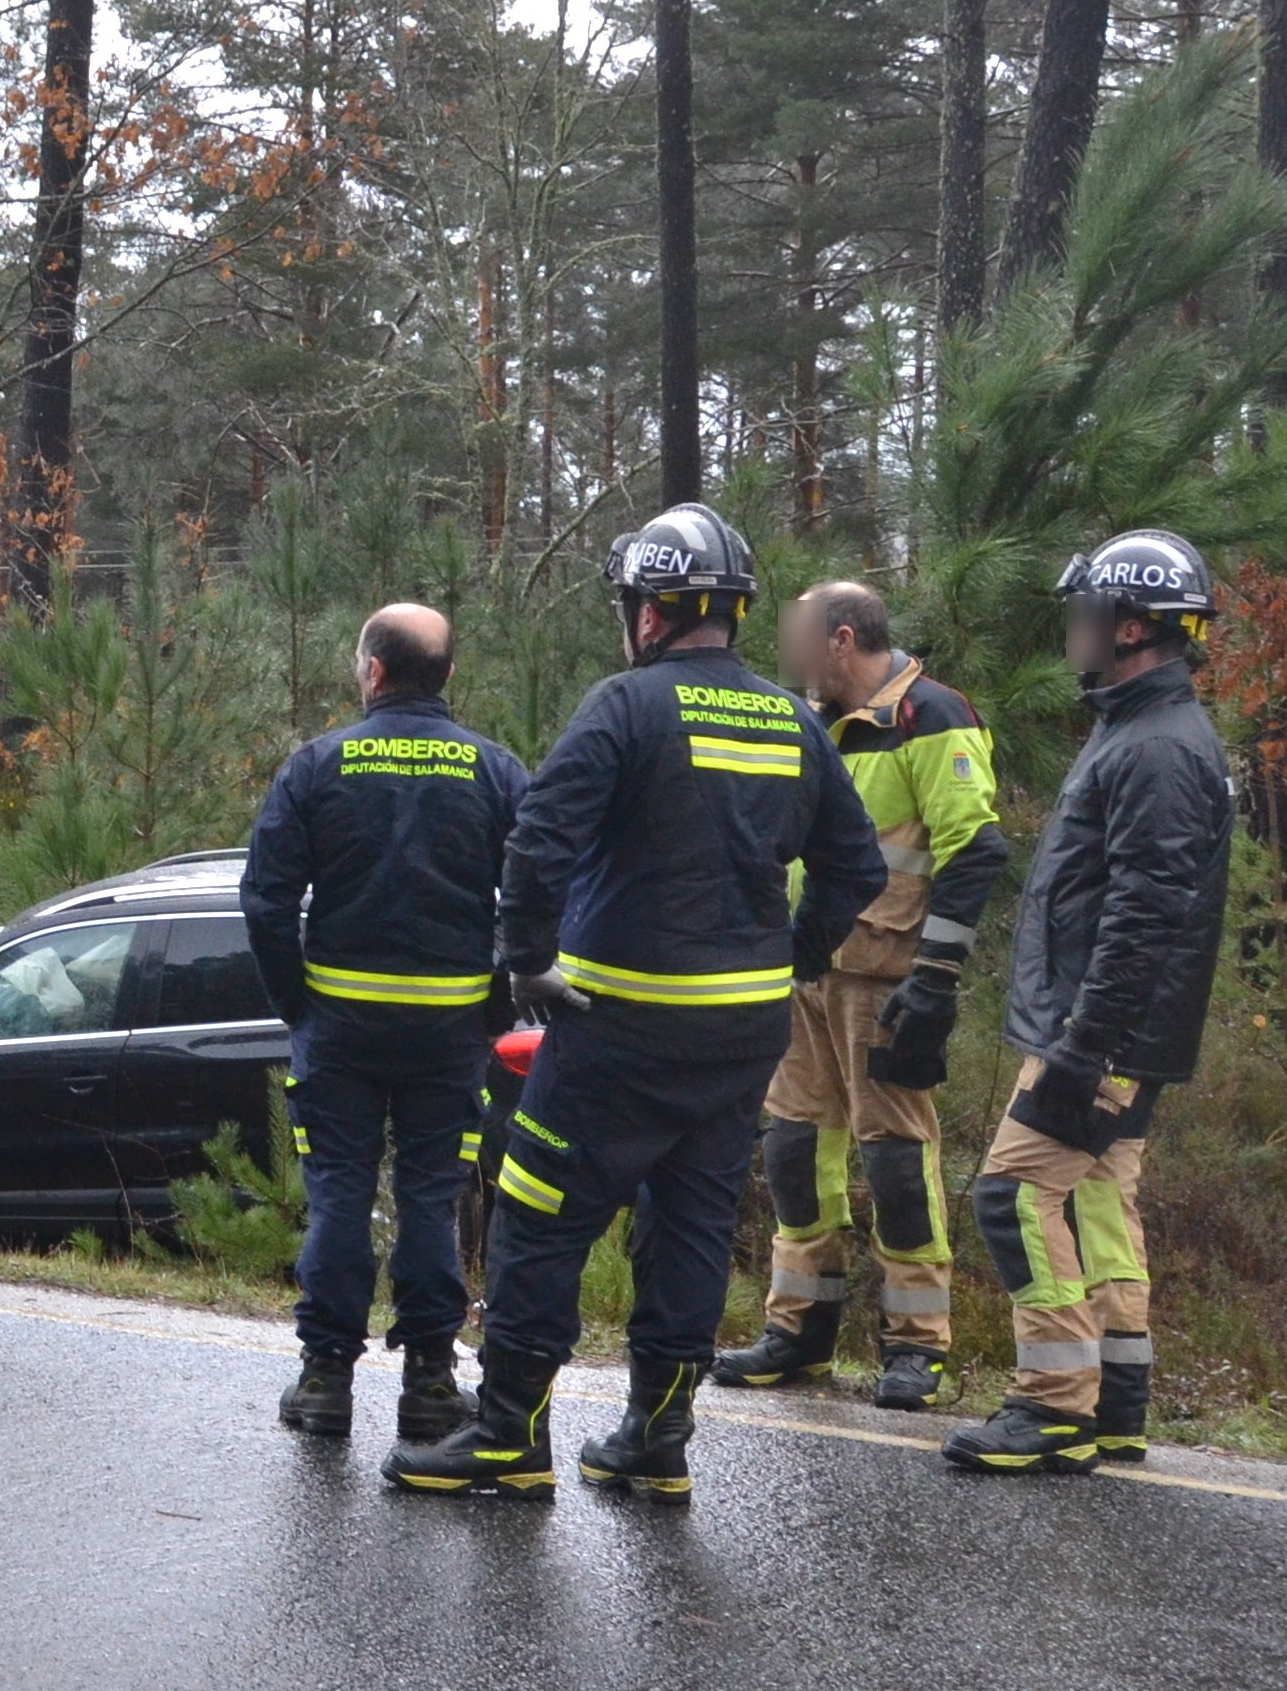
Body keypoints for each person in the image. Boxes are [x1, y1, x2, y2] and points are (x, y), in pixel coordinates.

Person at [388, 505, 883, 1504]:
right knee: (693, 1224)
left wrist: (526, 963)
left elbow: (539, 841)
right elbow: (856, 865)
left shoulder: (625, 705)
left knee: (535, 1214)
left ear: (650, 614)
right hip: (742, 1036)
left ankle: (507, 1437)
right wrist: (788, 957)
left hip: (616, 1028)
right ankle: (657, 1441)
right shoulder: (790, 721)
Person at [949, 529, 1231, 1478]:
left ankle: (1053, 1405)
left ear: (1133, 627)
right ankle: (1117, 1403)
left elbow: (1147, 916)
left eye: (1088, 617)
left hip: (1100, 1033)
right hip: (1114, 1030)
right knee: (1102, 1205)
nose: (1076, 633)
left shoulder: (1157, 747)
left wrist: (1082, 1044)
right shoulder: (1141, 728)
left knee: (1013, 1194)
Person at [237, 603, 530, 1445]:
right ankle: (430, 1384)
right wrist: (495, 1004)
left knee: (338, 1195)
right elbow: (543, 890)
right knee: (432, 1201)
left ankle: (327, 1379)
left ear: (372, 672)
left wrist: (298, 1002)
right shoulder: (495, 770)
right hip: (449, 1034)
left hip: (341, 1029)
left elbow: (264, 901)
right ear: (448, 676)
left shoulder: (319, 766)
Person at [716, 581, 1008, 1411]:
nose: (787, 654)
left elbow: (974, 849)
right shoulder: (809, 722)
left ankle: (918, 1346)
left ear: (841, 641)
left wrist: (938, 979)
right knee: (796, 1151)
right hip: (806, 968)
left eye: (797, 639)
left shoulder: (931, 716)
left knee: (896, 1161)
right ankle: (799, 1332)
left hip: (886, 979)